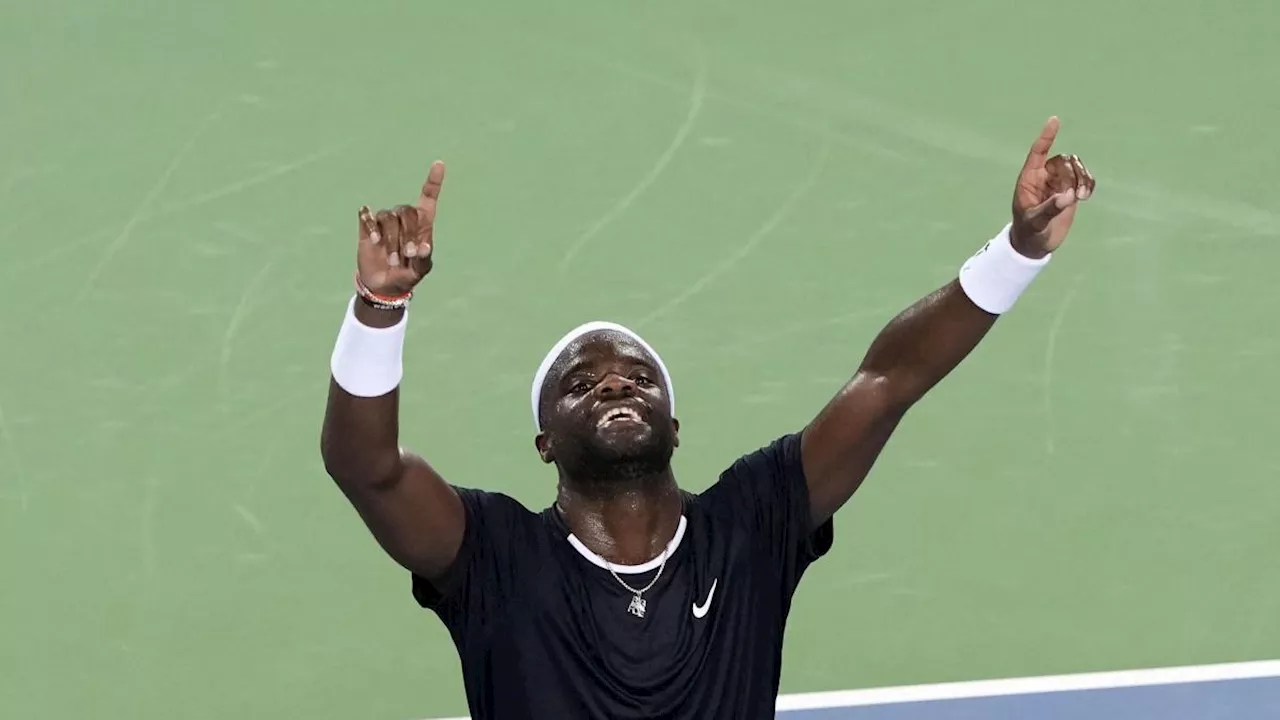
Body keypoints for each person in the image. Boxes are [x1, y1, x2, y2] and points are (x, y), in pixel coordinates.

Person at [320, 117, 1095, 719]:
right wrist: (380, 307)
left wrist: (1019, 251)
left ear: (675, 424)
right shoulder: (493, 558)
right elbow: (366, 466)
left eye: (637, 378)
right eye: (581, 382)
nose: (615, 386)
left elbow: (891, 379)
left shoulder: (751, 526)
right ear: (545, 441)